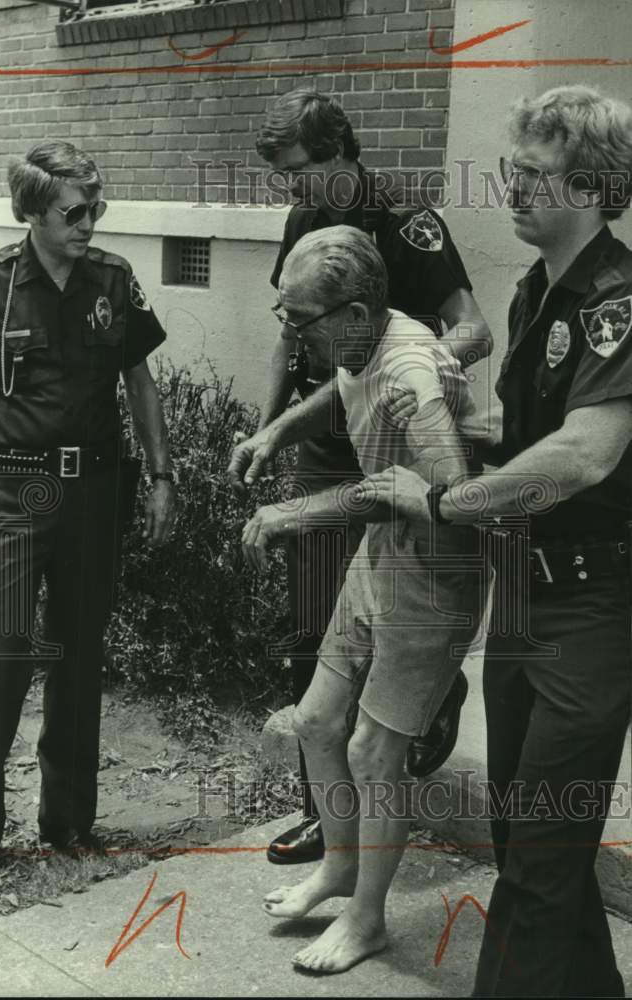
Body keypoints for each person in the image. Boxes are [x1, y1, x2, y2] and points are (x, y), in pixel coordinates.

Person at [355, 85, 632, 996]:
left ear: (591, 186)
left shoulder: (614, 301)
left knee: (539, 862)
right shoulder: (534, 290)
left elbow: (583, 456)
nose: (510, 188)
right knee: (528, 838)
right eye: (510, 169)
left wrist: (442, 501)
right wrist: (443, 418)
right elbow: (531, 432)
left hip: (592, 609)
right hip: (526, 599)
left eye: (534, 174)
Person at [231, 89, 492, 866]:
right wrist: (270, 426)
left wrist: (411, 382)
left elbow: (474, 328)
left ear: (341, 151)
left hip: (394, 450)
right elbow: (289, 334)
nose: (291, 190)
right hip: (323, 443)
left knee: (400, 611)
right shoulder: (303, 223)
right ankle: (325, 815)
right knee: (315, 635)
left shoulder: (406, 222)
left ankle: (431, 693)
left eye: (299, 173)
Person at [0, 140, 176, 877]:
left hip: (93, 490)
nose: (89, 221)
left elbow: (140, 381)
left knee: (77, 657)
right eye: (73, 210)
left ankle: (68, 822)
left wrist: (161, 477)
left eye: (96, 207)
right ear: (31, 209)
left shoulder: (112, 278)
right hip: (14, 488)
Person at [239, 224, 487, 973]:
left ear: (351, 313)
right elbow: (342, 387)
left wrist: (297, 513)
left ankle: (368, 920)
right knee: (316, 721)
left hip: (434, 579)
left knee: (372, 752)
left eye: (298, 319)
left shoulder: (413, 372)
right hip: (380, 560)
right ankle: (340, 866)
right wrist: (279, 429)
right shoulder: (358, 341)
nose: (290, 334)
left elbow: (439, 490)